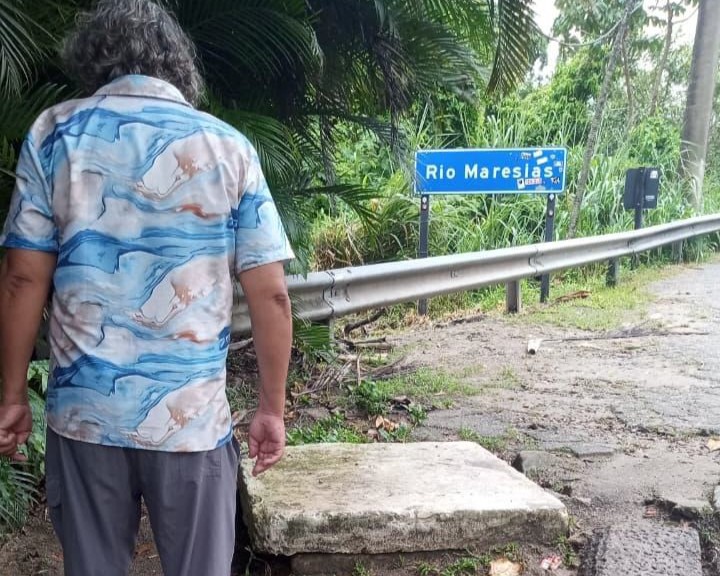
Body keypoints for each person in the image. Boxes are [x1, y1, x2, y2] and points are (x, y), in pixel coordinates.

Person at [0, 0, 294, 574]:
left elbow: (22, 276)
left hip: (85, 417)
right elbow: (272, 295)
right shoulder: (229, 148)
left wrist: (12, 396)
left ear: (92, 61)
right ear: (178, 65)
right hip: (192, 421)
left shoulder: (55, 135)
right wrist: (271, 410)